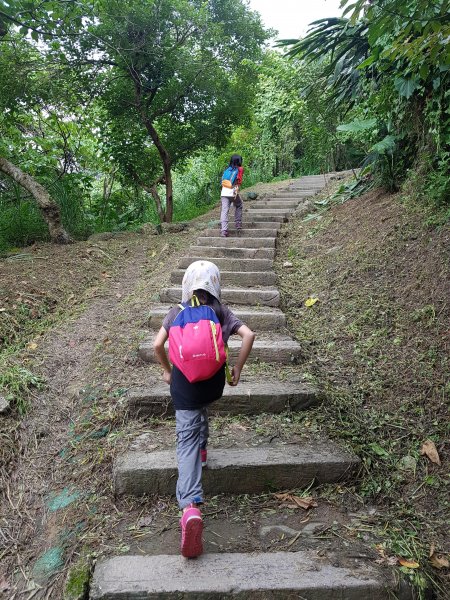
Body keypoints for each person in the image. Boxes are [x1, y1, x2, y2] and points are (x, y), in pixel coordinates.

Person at [153, 260, 255, 559]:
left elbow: (157, 345)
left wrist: (168, 370)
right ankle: (205, 449)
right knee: (202, 410)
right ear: (216, 284)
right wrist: (236, 369)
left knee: (186, 442)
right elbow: (249, 335)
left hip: (185, 388)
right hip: (212, 386)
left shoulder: (176, 312)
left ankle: (190, 508)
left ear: (187, 285)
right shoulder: (221, 312)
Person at [220, 154, 244, 237]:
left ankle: (224, 231)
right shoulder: (240, 169)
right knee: (239, 205)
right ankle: (238, 223)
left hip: (224, 192)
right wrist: (236, 190)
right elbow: (239, 182)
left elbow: (222, 181)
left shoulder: (227, 170)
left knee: (224, 211)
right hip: (232, 191)